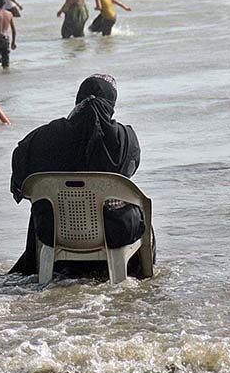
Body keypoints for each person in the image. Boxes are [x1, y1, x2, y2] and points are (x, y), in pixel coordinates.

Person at [8, 74, 153, 276]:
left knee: (41, 208)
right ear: (112, 102)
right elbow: (128, 172)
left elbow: (21, 183)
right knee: (140, 207)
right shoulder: (125, 139)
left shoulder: (41, 138)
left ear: (78, 99)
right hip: (113, 232)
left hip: (53, 232)